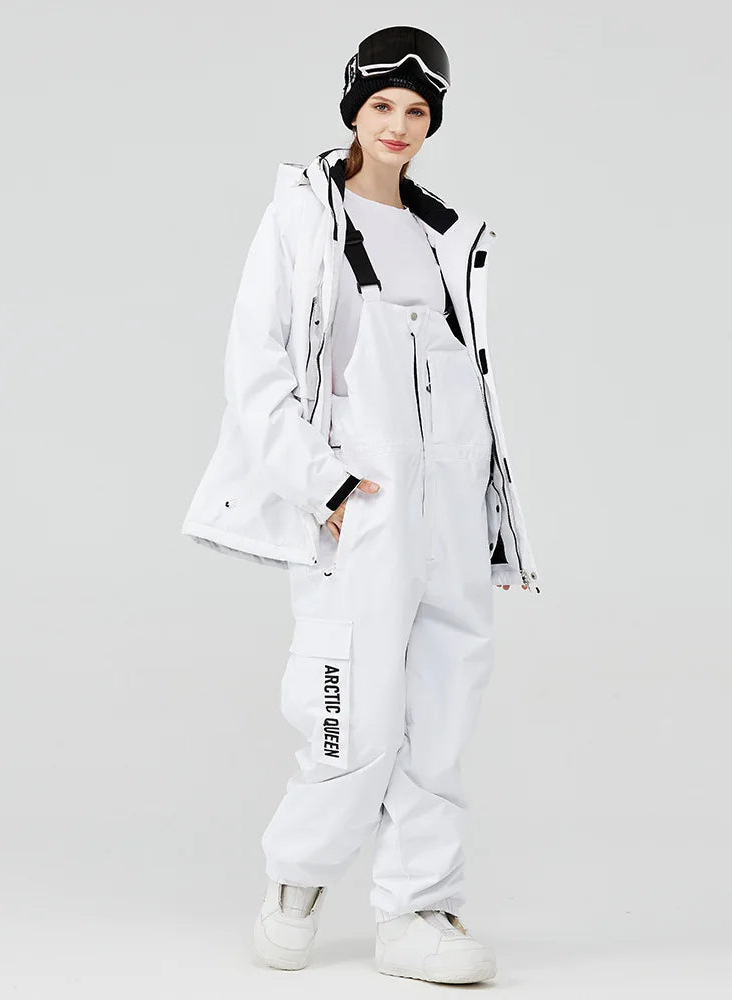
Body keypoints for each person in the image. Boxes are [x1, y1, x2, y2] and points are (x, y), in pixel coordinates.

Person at [181, 25, 540, 984]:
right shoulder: (304, 218)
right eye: (382, 105)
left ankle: (418, 912)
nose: (398, 125)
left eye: (417, 111)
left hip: (451, 507)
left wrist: (487, 516)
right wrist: (323, 484)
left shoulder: (445, 234)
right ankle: (295, 884)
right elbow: (256, 368)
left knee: (442, 717)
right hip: (362, 507)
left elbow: (468, 385)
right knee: (350, 712)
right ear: (353, 109)